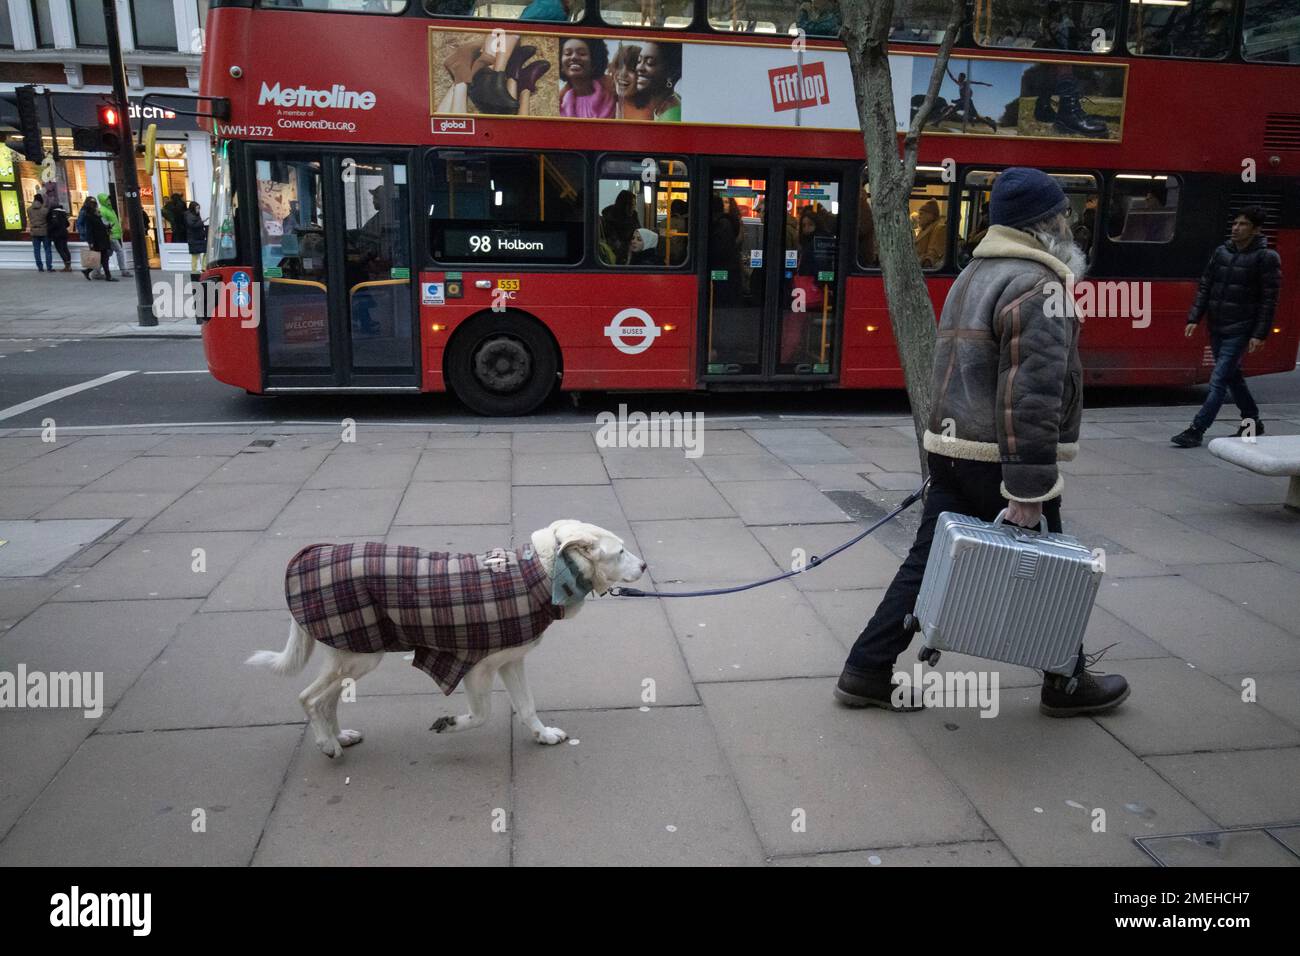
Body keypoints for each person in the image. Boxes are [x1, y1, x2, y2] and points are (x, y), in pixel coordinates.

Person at [834, 167, 1129, 717]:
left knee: (924, 563)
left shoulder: (976, 275)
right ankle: (1065, 683)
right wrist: (1027, 486)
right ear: (1043, 223)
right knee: (1047, 574)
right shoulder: (1038, 285)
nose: (1070, 222)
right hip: (1000, 457)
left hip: (953, 449)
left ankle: (866, 669)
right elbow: (1031, 395)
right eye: (1063, 212)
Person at [1172, 206, 1282, 447]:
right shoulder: (1222, 252)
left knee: (1219, 379)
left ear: (1256, 230)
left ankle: (1196, 430)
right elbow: (1206, 285)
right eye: (1235, 223)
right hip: (1217, 325)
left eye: (1243, 224)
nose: (1236, 228)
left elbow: (1268, 300)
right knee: (1233, 378)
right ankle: (1252, 421)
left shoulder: (1266, 258)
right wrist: (1194, 317)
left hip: (1241, 328)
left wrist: (1259, 334)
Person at [559, 37, 615, 118]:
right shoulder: (557, 105)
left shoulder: (614, 98)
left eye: (582, 53)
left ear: (594, 62)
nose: (574, 57)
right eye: (568, 53)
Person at [633, 41, 681, 122]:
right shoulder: (667, 103)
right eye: (639, 61)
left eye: (650, 62)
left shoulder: (672, 116)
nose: (639, 68)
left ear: (670, 72)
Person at [79, 196, 116, 281]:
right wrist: (91, 242)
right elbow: (89, 230)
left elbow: (100, 226)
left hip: (102, 239)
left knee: (103, 258)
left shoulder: (97, 215)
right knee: (101, 258)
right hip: (97, 241)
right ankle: (107, 276)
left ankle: (88, 271)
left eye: (95, 204)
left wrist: (107, 227)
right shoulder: (89, 216)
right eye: (93, 205)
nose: (95, 207)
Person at [610, 43, 651, 120]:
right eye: (619, 66)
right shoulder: (606, 90)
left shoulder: (650, 112)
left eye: (631, 69)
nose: (622, 74)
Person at [96, 192, 132, 278]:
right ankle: (124, 270)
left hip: (115, 234)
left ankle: (95, 271)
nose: (109, 201)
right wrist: (109, 231)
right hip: (111, 235)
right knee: (119, 251)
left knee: (108, 254)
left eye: (109, 199)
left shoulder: (111, 210)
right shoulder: (103, 210)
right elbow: (104, 223)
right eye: (107, 199)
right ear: (102, 201)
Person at [601, 190, 640, 264]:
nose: (634, 207)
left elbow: (638, 230)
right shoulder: (610, 217)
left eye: (635, 204)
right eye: (632, 204)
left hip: (631, 248)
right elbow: (612, 239)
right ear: (625, 205)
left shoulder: (633, 215)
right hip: (615, 253)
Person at [913, 198, 946, 268]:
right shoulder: (925, 228)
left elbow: (932, 255)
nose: (919, 217)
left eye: (921, 214)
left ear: (931, 215)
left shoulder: (939, 229)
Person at [27, 193, 52, 272]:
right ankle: (49, 267)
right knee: (47, 250)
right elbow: (49, 220)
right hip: (44, 231)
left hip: (34, 232)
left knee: (36, 250)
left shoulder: (29, 209)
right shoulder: (45, 210)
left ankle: (40, 267)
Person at [47, 200, 72, 271]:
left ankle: (67, 266)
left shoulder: (54, 213)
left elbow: (55, 224)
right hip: (64, 233)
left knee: (60, 249)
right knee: (65, 249)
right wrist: (63, 226)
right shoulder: (63, 213)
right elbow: (68, 224)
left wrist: (49, 229)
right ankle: (69, 266)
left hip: (57, 234)